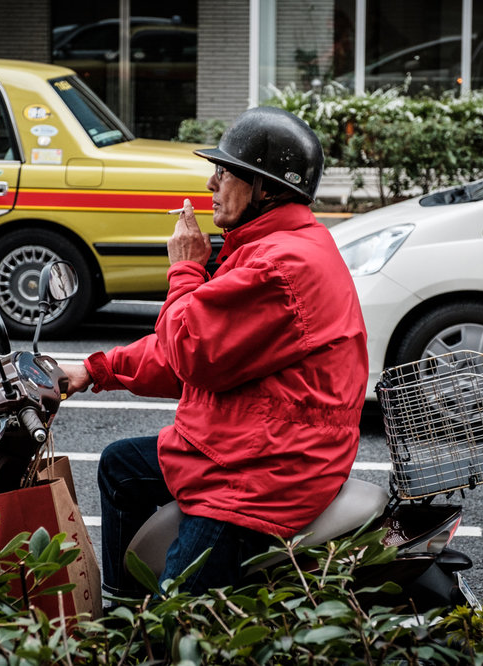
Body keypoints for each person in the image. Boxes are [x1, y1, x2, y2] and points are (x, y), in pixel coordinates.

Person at [60, 106, 369, 597]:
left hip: (262, 473)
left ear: (265, 189)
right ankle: (122, 614)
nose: (210, 184)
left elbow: (190, 350)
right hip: (244, 445)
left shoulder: (279, 265)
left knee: (179, 611)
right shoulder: (268, 246)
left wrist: (185, 268)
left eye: (224, 172)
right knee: (120, 467)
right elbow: (187, 355)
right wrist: (93, 370)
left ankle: (160, 630)